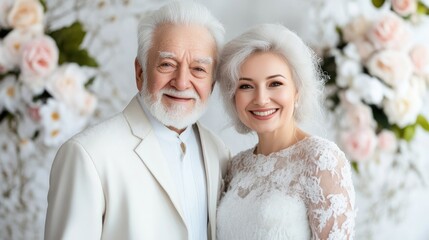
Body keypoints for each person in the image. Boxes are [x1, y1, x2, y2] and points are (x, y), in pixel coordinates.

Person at [44, 2, 230, 240]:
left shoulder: (219, 152)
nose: (182, 83)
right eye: (167, 65)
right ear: (140, 72)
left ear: (212, 83)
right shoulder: (88, 155)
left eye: (198, 69)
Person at [216, 23, 356, 240]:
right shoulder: (235, 166)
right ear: (233, 97)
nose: (261, 99)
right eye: (246, 86)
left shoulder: (321, 160)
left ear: (297, 91)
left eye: (275, 83)